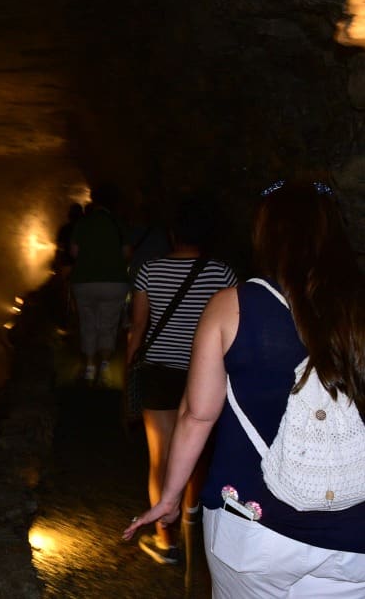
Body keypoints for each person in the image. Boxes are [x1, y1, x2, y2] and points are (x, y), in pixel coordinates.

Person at [123, 180, 365, 597]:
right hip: (353, 539)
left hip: (253, 527)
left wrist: (170, 496)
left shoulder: (233, 305)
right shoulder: (358, 310)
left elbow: (198, 415)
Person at [125, 198, 237, 567]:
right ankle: (191, 522)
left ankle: (165, 540)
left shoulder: (148, 271)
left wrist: (130, 372)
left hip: (157, 371)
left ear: (173, 234)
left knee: (161, 457)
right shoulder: (223, 274)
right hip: (202, 373)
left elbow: (138, 328)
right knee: (197, 453)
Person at [69, 184, 130, 384]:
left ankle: (88, 367)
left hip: (85, 281)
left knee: (88, 323)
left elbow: (74, 253)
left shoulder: (83, 223)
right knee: (108, 325)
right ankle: (104, 368)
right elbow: (127, 253)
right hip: (114, 282)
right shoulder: (118, 224)